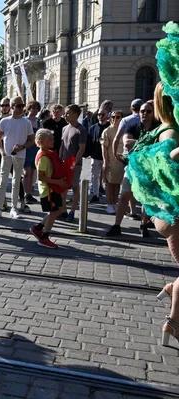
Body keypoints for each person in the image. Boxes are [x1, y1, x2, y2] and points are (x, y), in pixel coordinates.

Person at [126, 31, 179, 344]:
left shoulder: (164, 128)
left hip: (168, 215)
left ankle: (173, 310)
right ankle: (172, 318)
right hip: (174, 216)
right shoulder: (170, 131)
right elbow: (171, 154)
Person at [106, 101, 159, 237]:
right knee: (124, 196)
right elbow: (127, 143)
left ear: (153, 113)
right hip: (132, 167)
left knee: (146, 199)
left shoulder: (157, 128)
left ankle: (143, 225)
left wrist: (143, 145)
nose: (144, 114)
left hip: (149, 169)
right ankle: (117, 225)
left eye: (148, 111)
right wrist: (149, 144)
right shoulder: (133, 126)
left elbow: (160, 146)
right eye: (142, 111)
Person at [0, 96, 34, 219]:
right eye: (18, 106)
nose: (21, 108)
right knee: (3, 181)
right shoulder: (4, 121)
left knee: (16, 181)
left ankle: (14, 208)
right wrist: (2, 151)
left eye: (22, 106)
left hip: (20, 155)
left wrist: (22, 146)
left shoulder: (27, 122)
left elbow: (31, 140)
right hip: (7, 155)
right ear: (12, 107)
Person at [30, 129, 69, 249]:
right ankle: (44, 237)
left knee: (60, 210)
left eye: (52, 138)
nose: (53, 141)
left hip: (52, 189)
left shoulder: (48, 153)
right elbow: (41, 177)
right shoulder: (43, 157)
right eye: (50, 139)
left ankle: (38, 228)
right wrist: (57, 182)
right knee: (54, 212)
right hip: (48, 191)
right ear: (41, 141)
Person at [59, 104, 88, 222]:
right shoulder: (64, 128)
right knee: (62, 188)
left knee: (75, 187)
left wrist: (74, 162)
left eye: (68, 113)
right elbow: (62, 145)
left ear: (76, 114)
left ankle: (73, 211)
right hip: (63, 162)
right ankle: (64, 211)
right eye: (65, 113)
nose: (65, 115)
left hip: (75, 164)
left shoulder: (81, 129)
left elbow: (82, 148)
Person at [100, 110, 124, 214]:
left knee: (117, 183)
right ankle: (109, 204)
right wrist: (105, 161)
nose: (115, 119)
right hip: (111, 160)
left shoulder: (124, 130)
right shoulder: (107, 131)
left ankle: (115, 203)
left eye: (118, 117)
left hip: (121, 161)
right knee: (109, 183)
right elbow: (104, 147)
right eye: (113, 117)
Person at [88, 108, 110, 202]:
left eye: (103, 114)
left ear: (107, 115)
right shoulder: (93, 127)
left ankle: (110, 197)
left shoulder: (110, 127)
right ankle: (95, 194)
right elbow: (89, 140)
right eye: (99, 115)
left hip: (108, 156)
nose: (100, 116)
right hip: (95, 156)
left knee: (107, 177)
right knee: (95, 176)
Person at [24, 101, 42, 204]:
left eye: (36, 109)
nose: (34, 111)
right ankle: (25, 193)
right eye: (32, 108)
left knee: (32, 172)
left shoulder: (38, 122)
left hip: (35, 149)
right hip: (26, 148)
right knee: (27, 172)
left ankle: (29, 193)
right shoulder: (24, 121)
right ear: (28, 108)